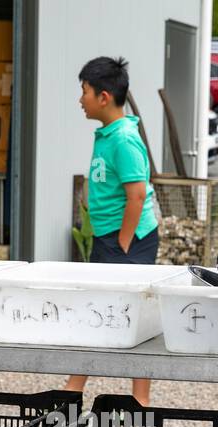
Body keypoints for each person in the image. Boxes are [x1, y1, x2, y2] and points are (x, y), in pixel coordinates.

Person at [66, 56, 160, 406]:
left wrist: (122, 244)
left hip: (129, 241)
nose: (80, 99)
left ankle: (141, 399)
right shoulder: (105, 134)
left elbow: (136, 195)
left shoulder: (123, 139)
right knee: (96, 309)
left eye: (84, 92)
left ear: (103, 97)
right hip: (110, 237)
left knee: (134, 316)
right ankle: (74, 385)